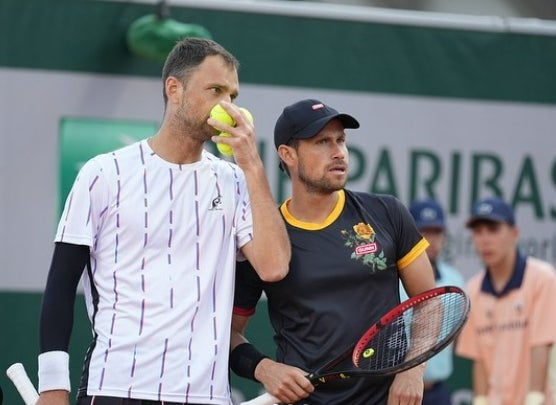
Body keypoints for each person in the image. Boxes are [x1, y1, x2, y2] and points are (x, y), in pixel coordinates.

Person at [36, 38, 291, 405]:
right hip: (116, 388)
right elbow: (60, 286)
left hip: (207, 396)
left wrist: (250, 164)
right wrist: (53, 387)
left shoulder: (235, 180)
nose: (229, 107)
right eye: (216, 90)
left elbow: (274, 266)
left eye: (233, 95)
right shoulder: (103, 174)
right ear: (175, 88)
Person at [230, 99, 436, 404]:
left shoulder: (387, 212)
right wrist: (264, 369)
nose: (338, 151)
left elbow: (430, 303)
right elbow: (227, 334)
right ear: (288, 155)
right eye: (322, 142)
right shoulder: (262, 243)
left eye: (341, 140)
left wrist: (413, 370)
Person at [455, 196, 556, 405]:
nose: (484, 239)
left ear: (514, 233)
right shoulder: (472, 290)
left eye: (492, 230)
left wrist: (534, 399)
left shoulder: (543, 279)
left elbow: (541, 347)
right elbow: (480, 360)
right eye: (478, 232)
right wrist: (481, 400)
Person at [401, 198, 464, 405]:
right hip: (398, 390)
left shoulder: (455, 280)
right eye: (423, 231)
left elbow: (455, 336)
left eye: (436, 232)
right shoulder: (391, 280)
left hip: (437, 393)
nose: (430, 239)